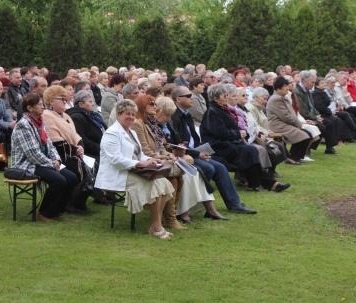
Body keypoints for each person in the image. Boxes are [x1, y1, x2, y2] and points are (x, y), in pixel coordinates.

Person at [94, 99, 176, 239]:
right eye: (127, 114)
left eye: (133, 114)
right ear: (118, 115)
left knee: (162, 182)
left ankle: (156, 225)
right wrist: (140, 164)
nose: (131, 117)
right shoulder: (112, 133)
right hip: (118, 173)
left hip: (133, 170)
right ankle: (157, 227)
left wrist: (150, 160)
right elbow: (116, 159)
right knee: (153, 184)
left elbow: (140, 154)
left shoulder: (131, 132)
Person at [170, 86, 257, 214]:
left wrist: (200, 151)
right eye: (188, 96)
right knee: (211, 167)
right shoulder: (175, 117)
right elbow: (177, 144)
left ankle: (234, 204)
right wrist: (197, 153)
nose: (192, 98)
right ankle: (199, 206)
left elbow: (193, 139)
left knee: (220, 167)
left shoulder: (186, 115)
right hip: (184, 155)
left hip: (195, 152)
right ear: (178, 99)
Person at [200, 84, 289, 192]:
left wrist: (242, 133)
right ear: (215, 98)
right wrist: (239, 134)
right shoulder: (212, 112)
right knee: (248, 151)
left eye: (227, 95)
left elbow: (229, 128)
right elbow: (220, 132)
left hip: (227, 142)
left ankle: (263, 184)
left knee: (250, 150)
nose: (227, 97)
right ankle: (263, 184)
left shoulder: (221, 109)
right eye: (224, 95)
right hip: (218, 146)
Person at [11, 93, 78, 222]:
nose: (43, 107)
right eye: (39, 104)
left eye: (42, 104)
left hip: (42, 161)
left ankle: (57, 209)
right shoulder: (23, 125)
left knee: (71, 177)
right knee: (59, 180)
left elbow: (50, 146)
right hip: (26, 164)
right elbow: (32, 153)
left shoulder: (40, 122)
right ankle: (44, 213)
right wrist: (51, 164)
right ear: (29, 108)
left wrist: (57, 159)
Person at [131, 95, 187, 230]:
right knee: (173, 179)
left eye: (155, 104)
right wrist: (166, 158)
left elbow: (161, 148)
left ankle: (170, 218)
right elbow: (145, 152)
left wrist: (169, 156)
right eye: (151, 103)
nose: (155, 106)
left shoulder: (151, 123)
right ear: (142, 105)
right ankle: (169, 219)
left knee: (180, 179)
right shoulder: (138, 123)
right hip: (145, 163)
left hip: (156, 160)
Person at [42, 86, 90, 213]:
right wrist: (75, 151)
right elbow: (55, 141)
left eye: (65, 99)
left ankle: (79, 201)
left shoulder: (65, 116)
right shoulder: (48, 116)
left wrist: (80, 146)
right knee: (79, 169)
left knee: (93, 167)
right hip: (60, 154)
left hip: (72, 151)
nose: (65, 101)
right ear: (51, 101)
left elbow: (76, 135)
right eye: (61, 99)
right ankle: (70, 203)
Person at [267, 77, 314, 160]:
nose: (287, 88)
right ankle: (292, 158)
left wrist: (297, 123)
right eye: (284, 86)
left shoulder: (283, 97)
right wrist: (297, 123)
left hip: (285, 124)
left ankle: (295, 157)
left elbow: (291, 114)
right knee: (304, 136)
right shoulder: (276, 99)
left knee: (308, 134)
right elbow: (286, 117)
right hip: (278, 125)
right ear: (278, 88)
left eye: (286, 86)